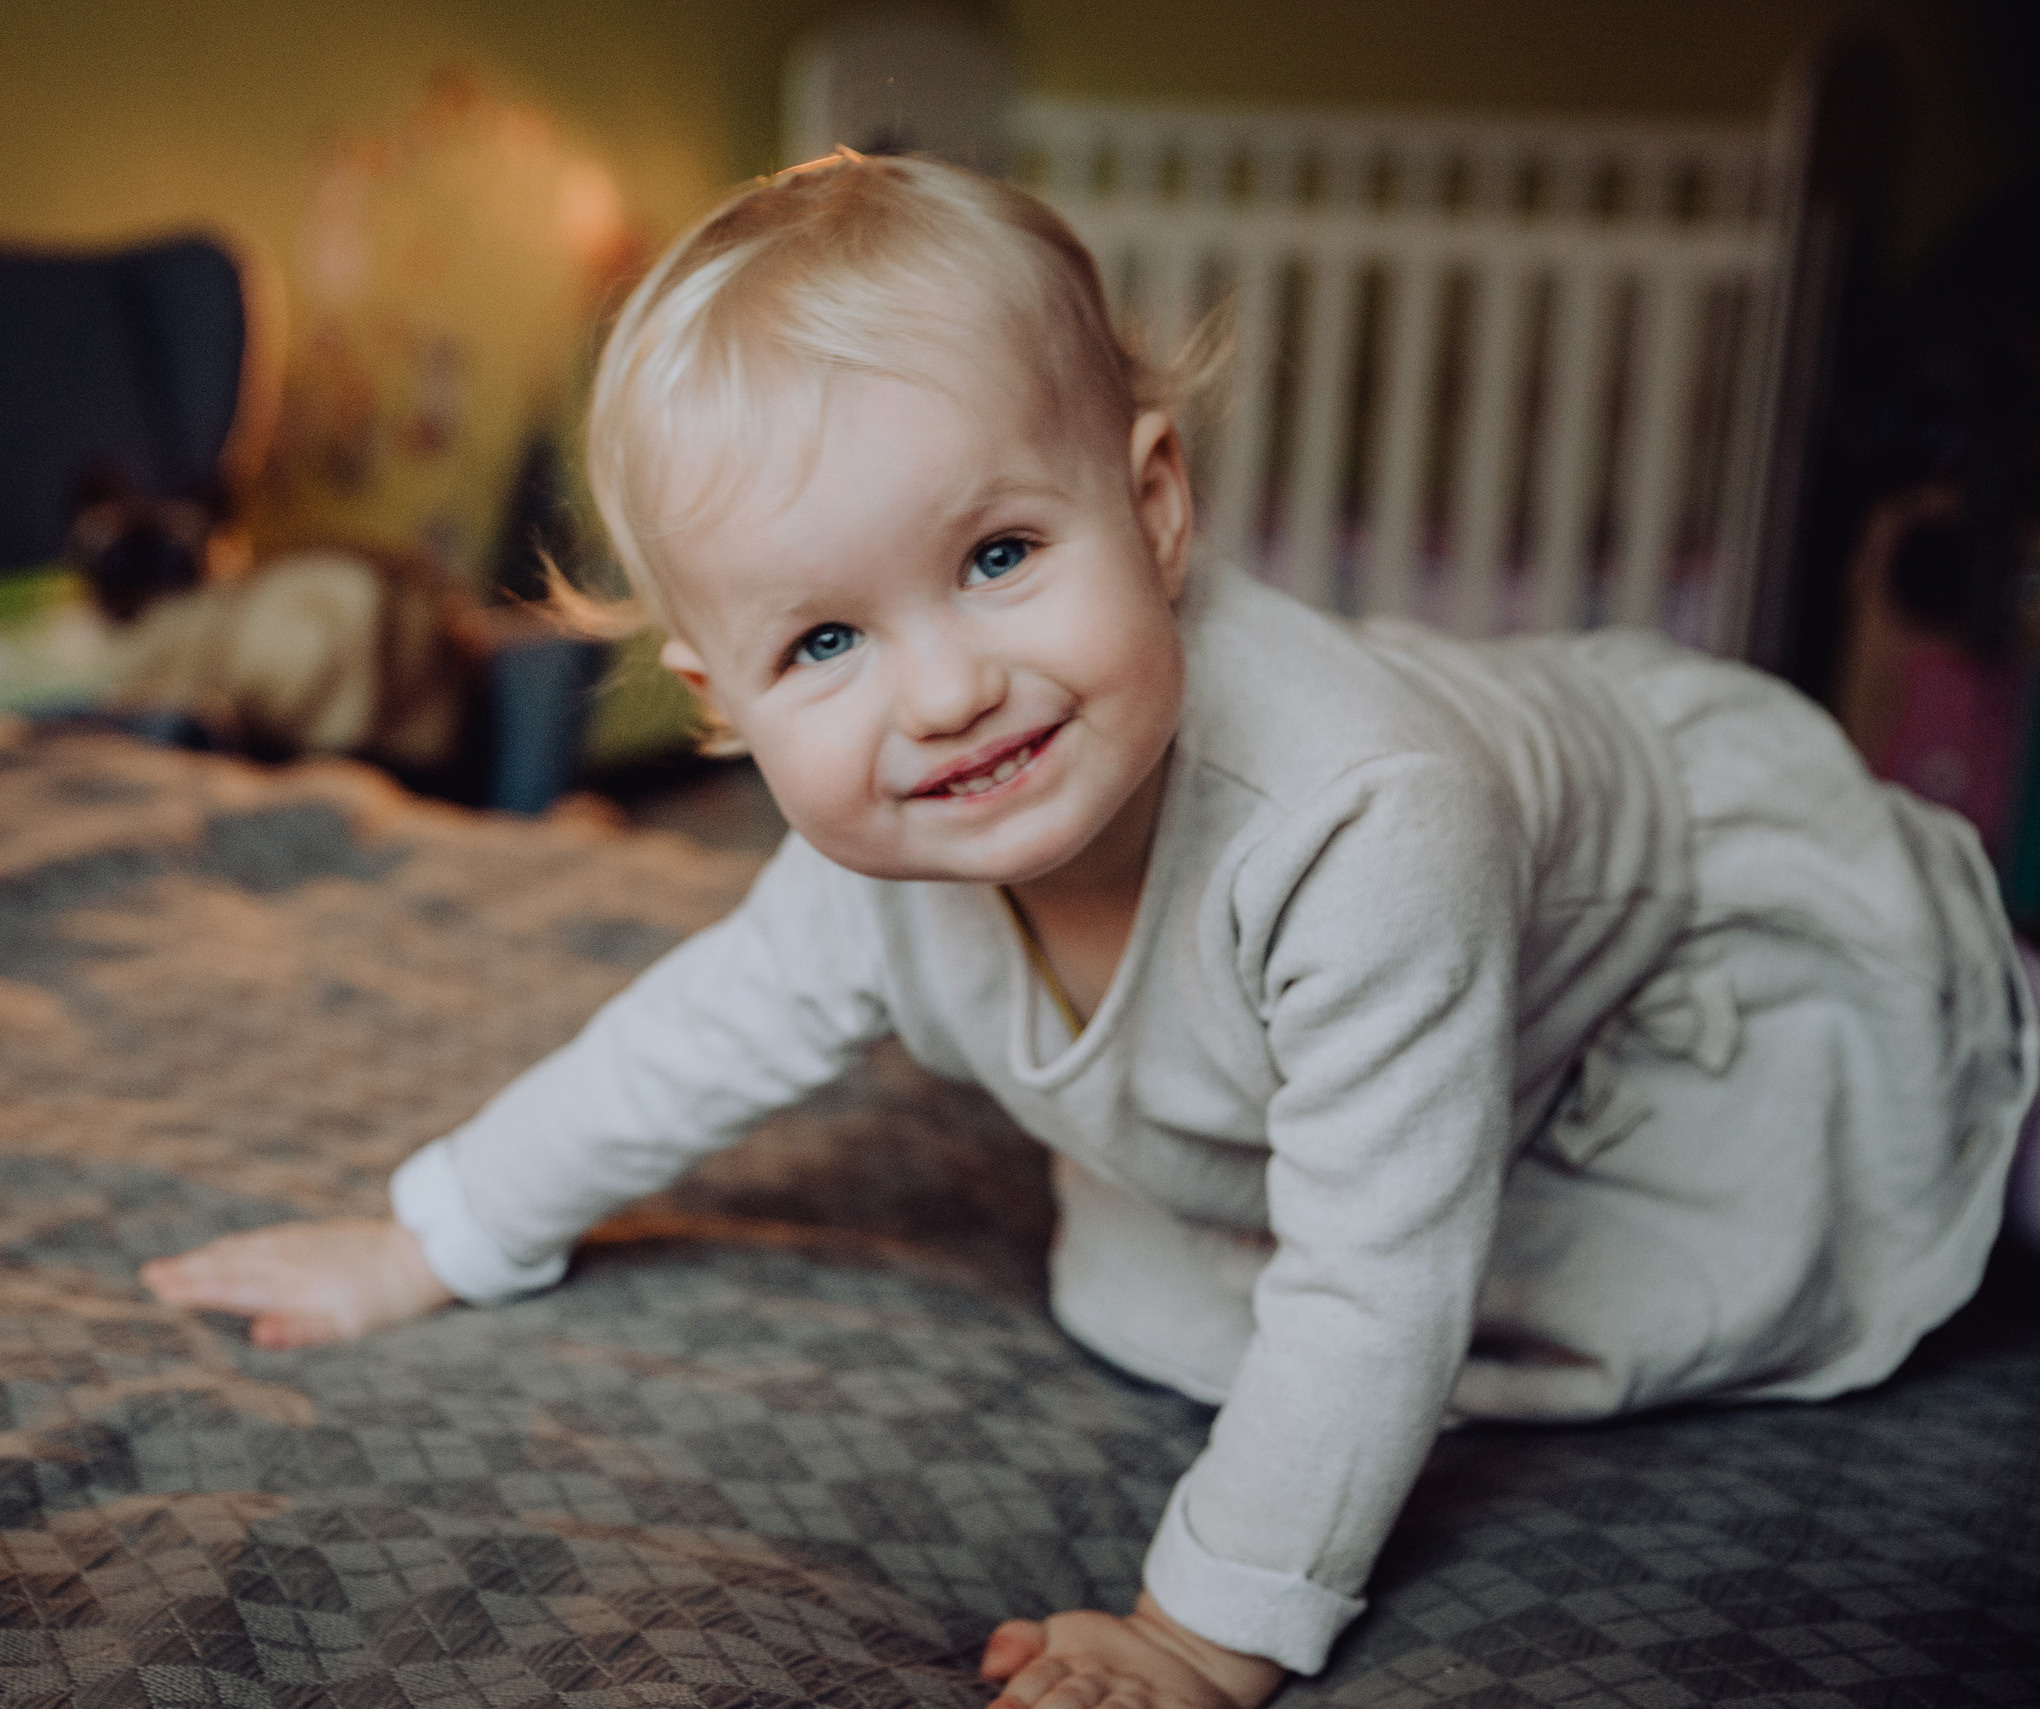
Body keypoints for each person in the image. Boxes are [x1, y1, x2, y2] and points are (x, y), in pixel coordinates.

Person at [141, 153, 2037, 1706]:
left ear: (1155, 504)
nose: (947, 689)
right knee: (1164, 1289)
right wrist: (433, 1233)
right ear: (722, 708)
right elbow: (700, 1028)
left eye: (996, 557)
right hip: (1411, 1005)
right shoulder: (888, 842)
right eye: (825, 639)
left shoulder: (1367, 822)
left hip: (1684, 944)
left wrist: (1206, 1629)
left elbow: (1377, 1278)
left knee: (1957, 1116)